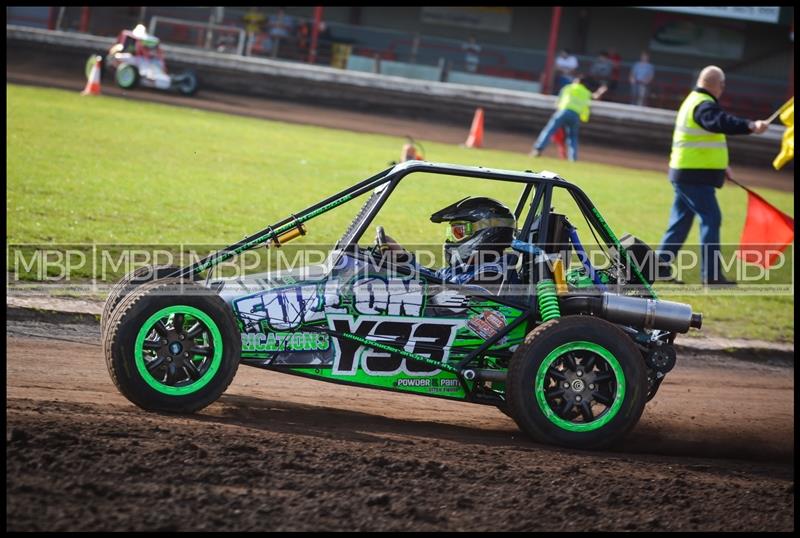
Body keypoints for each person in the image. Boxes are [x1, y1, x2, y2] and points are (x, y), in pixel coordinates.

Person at [656, 65, 769, 286]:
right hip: (693, 176)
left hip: (686, 173)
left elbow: (706, 138)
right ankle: (711, 276)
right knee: (711, 219)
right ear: (717, 85)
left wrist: (722, 168)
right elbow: (719, 122)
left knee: (680, 222)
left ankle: (659, 267)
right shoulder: (704, 105)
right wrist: (750, 125)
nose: (723, 89)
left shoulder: (693, 101)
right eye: (723, 85)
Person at [382, 197, 519, 289]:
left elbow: (450, 297)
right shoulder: (459, 269)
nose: (451, 240)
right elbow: (430, 278)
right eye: (452, 233)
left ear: (488, 233)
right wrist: (401, 257)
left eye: (459, 232)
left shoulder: (493, 273)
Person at [530, 74, 607, 161]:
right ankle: (573, 158)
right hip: (576, 115)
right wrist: (601, 90)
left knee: (549, 130)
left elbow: (558, 102)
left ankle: (538, 149)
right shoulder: (586, 92)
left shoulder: (568, 87)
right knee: (572, 137)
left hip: (563, 112)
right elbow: (595, 97)